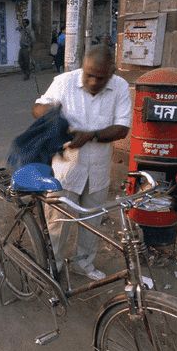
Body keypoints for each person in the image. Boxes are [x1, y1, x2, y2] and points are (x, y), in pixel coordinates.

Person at [32, 46, 131, 280]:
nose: (94, 81)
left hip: (97, 171)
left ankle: (83, 264)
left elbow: (122, 128)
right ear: (83, 68)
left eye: (101, 77)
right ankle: (51, 268)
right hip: (65, 171)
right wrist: (58, 121)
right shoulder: (64, 82)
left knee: (92, 222)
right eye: (89, 74)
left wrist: (91, 135)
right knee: (57, 224)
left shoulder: (120, 87)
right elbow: (37, 108)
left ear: (112, 73)